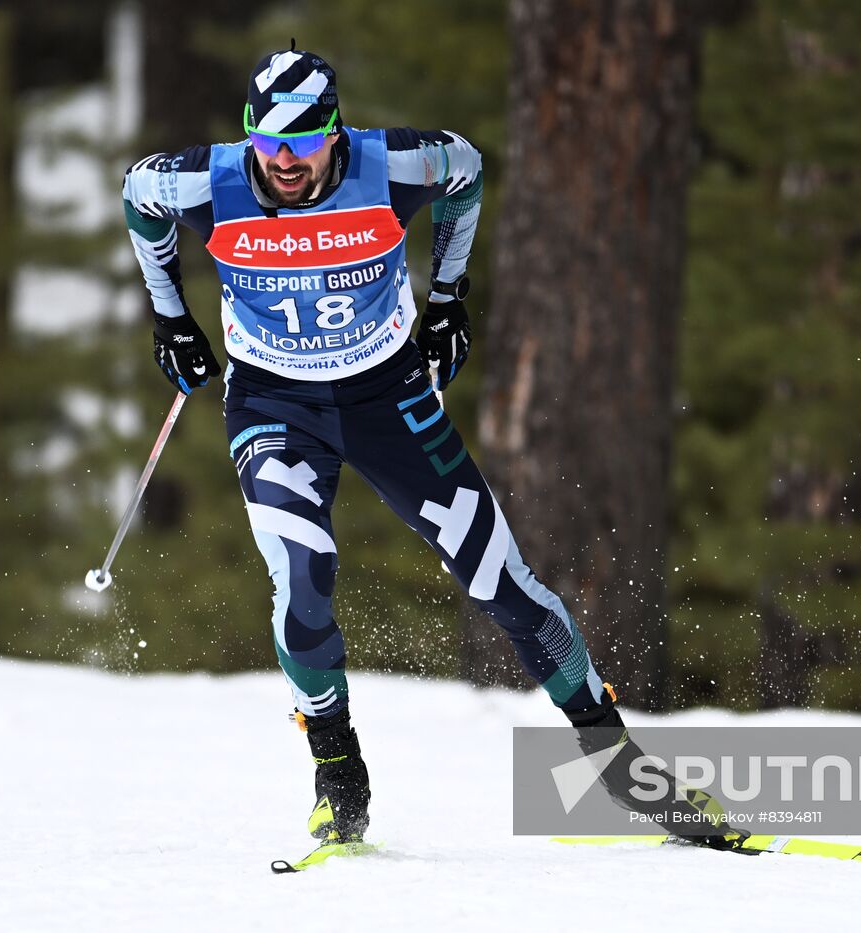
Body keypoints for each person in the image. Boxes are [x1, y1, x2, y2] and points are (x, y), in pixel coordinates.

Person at [122, 45, 731, 853]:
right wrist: (170, 316)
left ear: (335, 133)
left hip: (389, 398)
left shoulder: (394, 165)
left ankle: (618, 766)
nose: (284, 162)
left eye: (303, 143)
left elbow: (467, 171)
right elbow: (139, 196)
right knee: (302, 584)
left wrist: (448, 297)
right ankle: (338, 773)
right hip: (274, 404)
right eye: (267, 143)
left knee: (502, 583)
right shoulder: (208, 180)